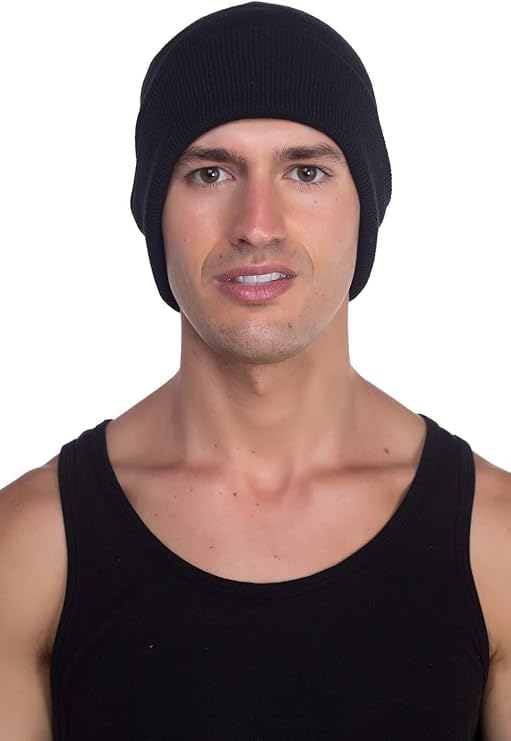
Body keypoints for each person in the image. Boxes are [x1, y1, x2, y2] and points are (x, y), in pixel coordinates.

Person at [0, 2, 509, 739]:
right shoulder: (29, 547)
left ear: (365, 208)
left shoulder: (493, 542)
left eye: (305, 171)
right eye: (210, 172)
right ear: (153, 212)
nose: (257, 224)